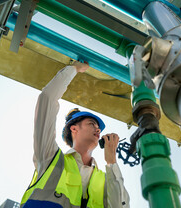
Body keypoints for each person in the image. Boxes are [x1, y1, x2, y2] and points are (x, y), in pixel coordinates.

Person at [20, 61, 130, 208]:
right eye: (92, 124)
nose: (98, 130)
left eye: (99, 128)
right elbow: (46, 99)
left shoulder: (104, 179)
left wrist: (111, 162)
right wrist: (74, 68)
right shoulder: (50, 158)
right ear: (74, 129)